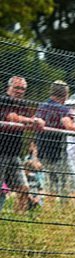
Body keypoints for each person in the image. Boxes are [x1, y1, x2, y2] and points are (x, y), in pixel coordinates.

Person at [0, 76, 44, 213]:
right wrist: (32, 121)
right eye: (17, 88)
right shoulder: (4, 100)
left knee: (23, 189)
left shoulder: (22, 104)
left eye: (23, 89)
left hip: (14, 153)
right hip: (1, 151)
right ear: (9, 88)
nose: (20, 91)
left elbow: (30, 122)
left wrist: (37, 122)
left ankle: (16, 219)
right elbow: (11, 117)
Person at [35, 81, 75, 200]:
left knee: (51, 188)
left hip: (43, 152)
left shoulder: (42, 106)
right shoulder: (62, 109)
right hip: (58, 154)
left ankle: (51, 211)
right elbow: (69, 126)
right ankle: (66, 212)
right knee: (74, 188)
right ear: (66, 94)